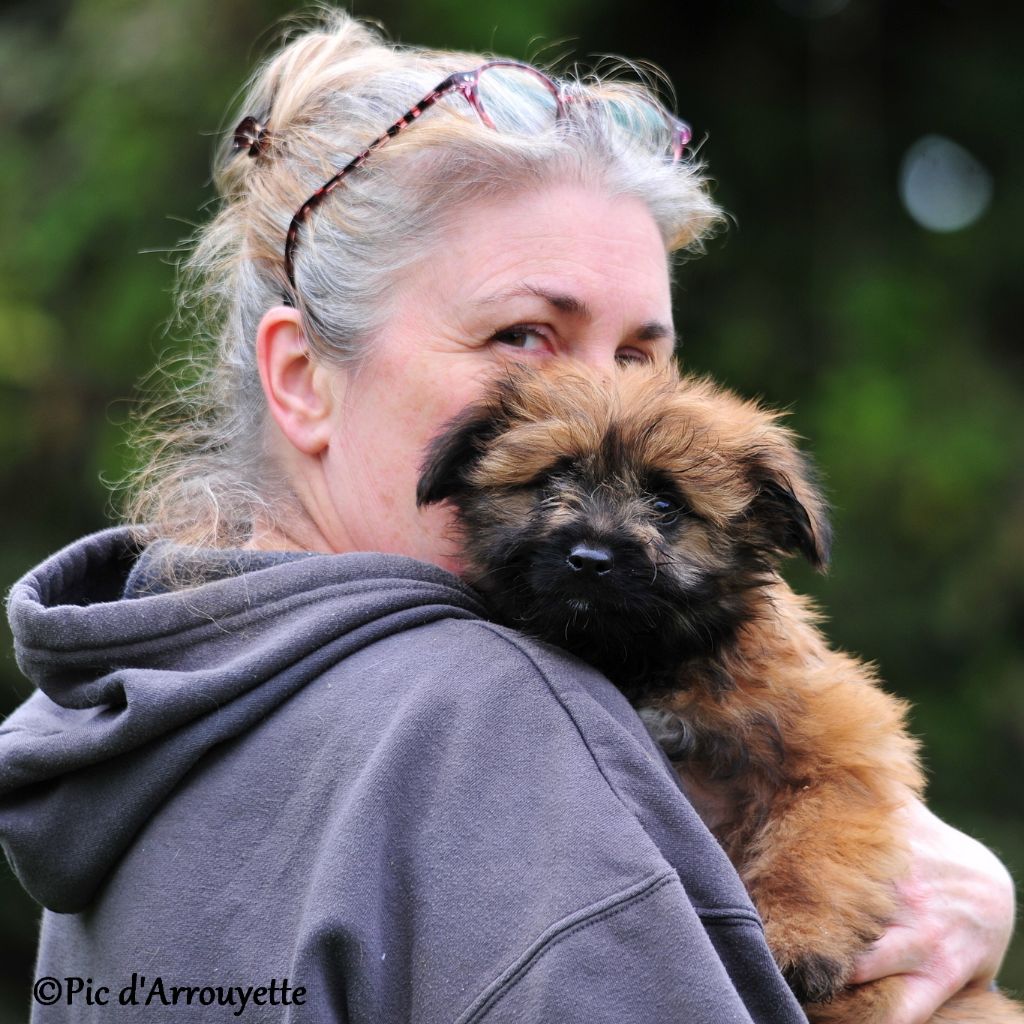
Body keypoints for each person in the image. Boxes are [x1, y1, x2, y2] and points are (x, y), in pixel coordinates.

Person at [0, 10, 1014, 1023]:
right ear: (302, 379)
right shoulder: (492, 709)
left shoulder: (131, 731)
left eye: (635, 356)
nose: (586, 402)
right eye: (524, 333)